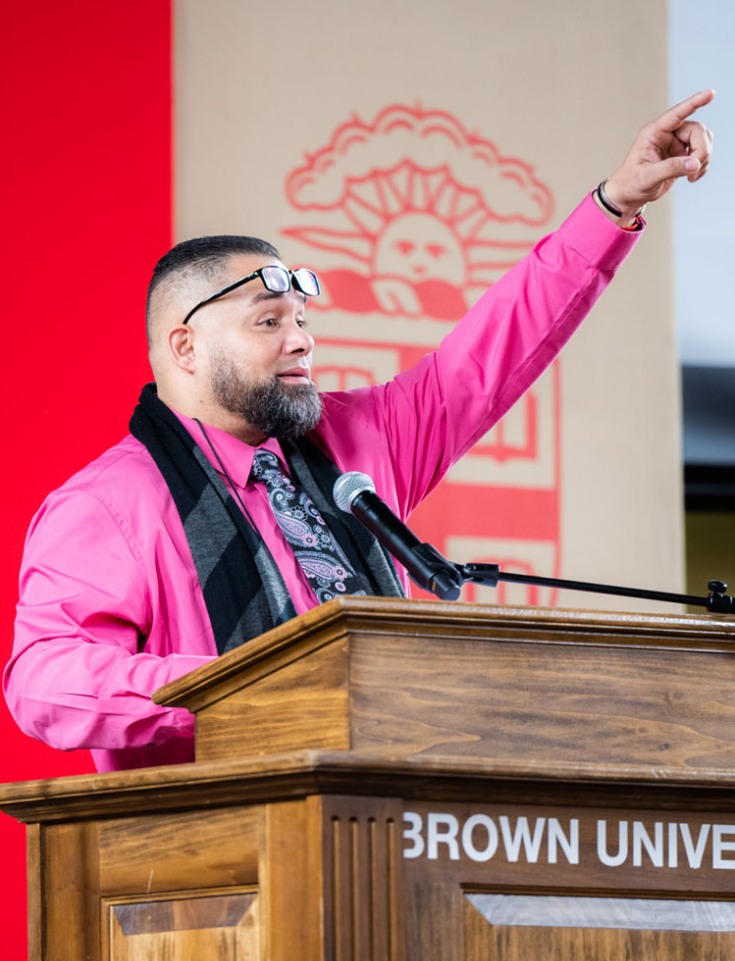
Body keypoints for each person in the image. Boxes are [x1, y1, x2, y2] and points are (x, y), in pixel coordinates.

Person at [4, 92, 714, 773]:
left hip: (388, 819)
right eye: (268, 322)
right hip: (214, 858)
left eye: (303, 321)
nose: (301, 342)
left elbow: (488, 356)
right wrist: (263, 682)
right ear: (185, 348)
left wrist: (613, 205)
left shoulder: (355, 444)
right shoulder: (108, 505)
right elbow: (43, 680)